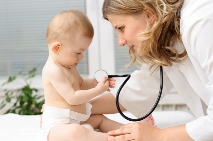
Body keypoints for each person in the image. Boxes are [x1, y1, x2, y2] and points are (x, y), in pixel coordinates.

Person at [89, 0, 213, 141]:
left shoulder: (201, 22)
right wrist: (78, 109)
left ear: (148, 14)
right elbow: (142, 89)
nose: (121, 41)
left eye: (121, 28)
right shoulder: (165, 37)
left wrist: (159, 136)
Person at [38, 9, 155, 141]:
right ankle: (112, 138)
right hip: (57, 126)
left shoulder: (68, 66)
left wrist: (96, 82)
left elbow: (81, 84)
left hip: (77, 119)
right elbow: (73, 98)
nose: (81, 57)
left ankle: (130, 131)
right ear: (56, 48)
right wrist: (98, 90)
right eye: (78, 53)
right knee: (75, 132)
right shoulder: (53, 70)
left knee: (100, 119)